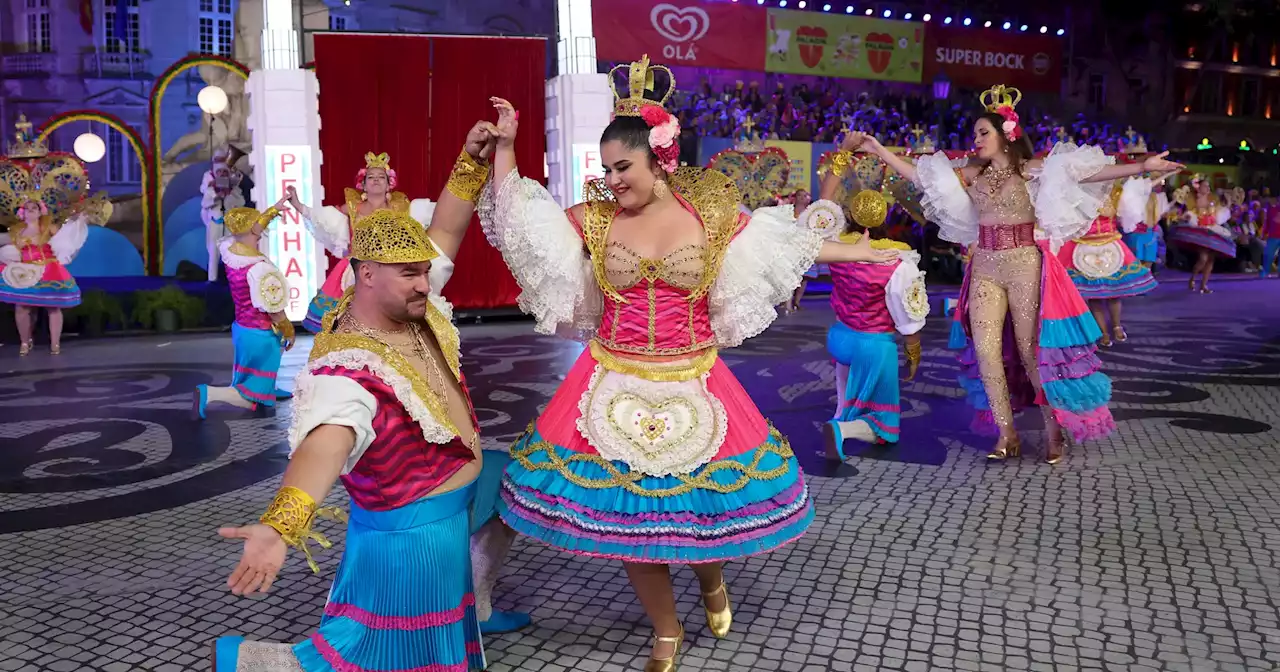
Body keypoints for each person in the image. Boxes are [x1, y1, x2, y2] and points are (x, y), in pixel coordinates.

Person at [476, 55, 896, 671]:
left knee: (697, 510)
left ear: (659, 160)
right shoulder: (593, 220)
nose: (613, 179)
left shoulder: (714, 218)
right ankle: (666, 630)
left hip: (694, 378)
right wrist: (506, 149)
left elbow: (794, 246)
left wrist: (869, 252)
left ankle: (710, 580)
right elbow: (517, 219)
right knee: (636, 519)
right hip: (610, 379)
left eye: (624, 167)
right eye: (607, 168)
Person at [211, 122, 500, 672]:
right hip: (409, 544)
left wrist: (471, 162)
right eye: (410, 275)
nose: (425, 283)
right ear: (364, 274)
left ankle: (479, 604)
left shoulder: (408, 301)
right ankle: (248, 662)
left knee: (512, 486)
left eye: (424, 273)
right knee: (381, 656)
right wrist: (281, 524)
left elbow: (446, 233)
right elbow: (328, 441)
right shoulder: (347, 365)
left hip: (444, 515)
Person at [852, 84, 1183, 463]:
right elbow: (920, 177)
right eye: (974, 133)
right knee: (986, 352)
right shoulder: (971, 173)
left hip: (1025, 264)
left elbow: (1084, 174)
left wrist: (1141, 167)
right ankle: (1006, 435)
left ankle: (1053, 430)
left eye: (983, 133)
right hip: (985, 268)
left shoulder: (1030, 170)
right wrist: (879, 151)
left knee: (1030, 352)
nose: (975, 140)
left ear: (1007, 135)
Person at [805, 140, 928, 456]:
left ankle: (838, 420)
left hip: (840, 336)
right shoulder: (898, 260)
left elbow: (822, 204)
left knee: (846, 394)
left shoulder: (837, 245)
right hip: (873, 345)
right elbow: (909, 313)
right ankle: (843, 429)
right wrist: (913, 352)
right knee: (885, 426)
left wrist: (842, 153)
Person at [291, 152, 450, 333]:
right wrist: (298, 205)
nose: (376, 181)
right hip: (357, 270)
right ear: (363, 183)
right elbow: (322, 219)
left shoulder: (402, 207)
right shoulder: (353, 208)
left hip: (391, 267)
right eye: (371, 177)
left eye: (381, 177)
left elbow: (439, 214)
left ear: (389, 183)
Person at [193, 200, 295, 418]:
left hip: (242, 329)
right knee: (249, 400)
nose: (260, 229)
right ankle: (208, 394)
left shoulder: (230, 249)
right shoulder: (259, 267)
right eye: (257, 225)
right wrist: (287, 328)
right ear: (250, 229)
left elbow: (251, 230)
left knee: (252, 374)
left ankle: (266, 389)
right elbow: (272, 307)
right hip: (261, 334)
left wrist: (272, 211)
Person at [1057, 174, 1162, 346]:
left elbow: (1142, 188)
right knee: (1095, 296)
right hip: (1085, 248)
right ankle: (1103, 331)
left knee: (1114, 294)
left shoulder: (1116, 194)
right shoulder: (1076, 197)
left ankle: (1116, 326)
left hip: (1111, 247)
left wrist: (1167, 174)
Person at [0, 194, 92, 356]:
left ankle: (55, 343)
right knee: (21, 306)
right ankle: (25, 341)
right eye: (27, 209)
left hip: (48, 269)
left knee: (53, 307)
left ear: (40, 211)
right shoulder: (17, 230)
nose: (30, 212)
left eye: (34, 209)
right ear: (22, 212)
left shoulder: (48, 227)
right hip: (24, 271)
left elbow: (65, 239)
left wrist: (78, 220)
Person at [1168, 176, 1234, 293]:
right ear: (1199, 187)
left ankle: (1204, 285)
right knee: (1203, 258)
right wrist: (1187, 216)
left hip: (1212, 228)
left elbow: (1219, 214)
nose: (1208, 188)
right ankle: (1193, 278)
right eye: (1205, 186)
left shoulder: (1213, 199)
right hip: (1200, 229)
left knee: (1210, 259)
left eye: (1208, 186)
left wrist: (1227, 204)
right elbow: (1187, 213)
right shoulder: (1192, 199)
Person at [1261, 196, 1280, 278]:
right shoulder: (1270, 209)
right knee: (1268, 254)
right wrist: (1264, 233)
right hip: (1273, 236)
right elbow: (1267, 222)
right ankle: (1265, 271)